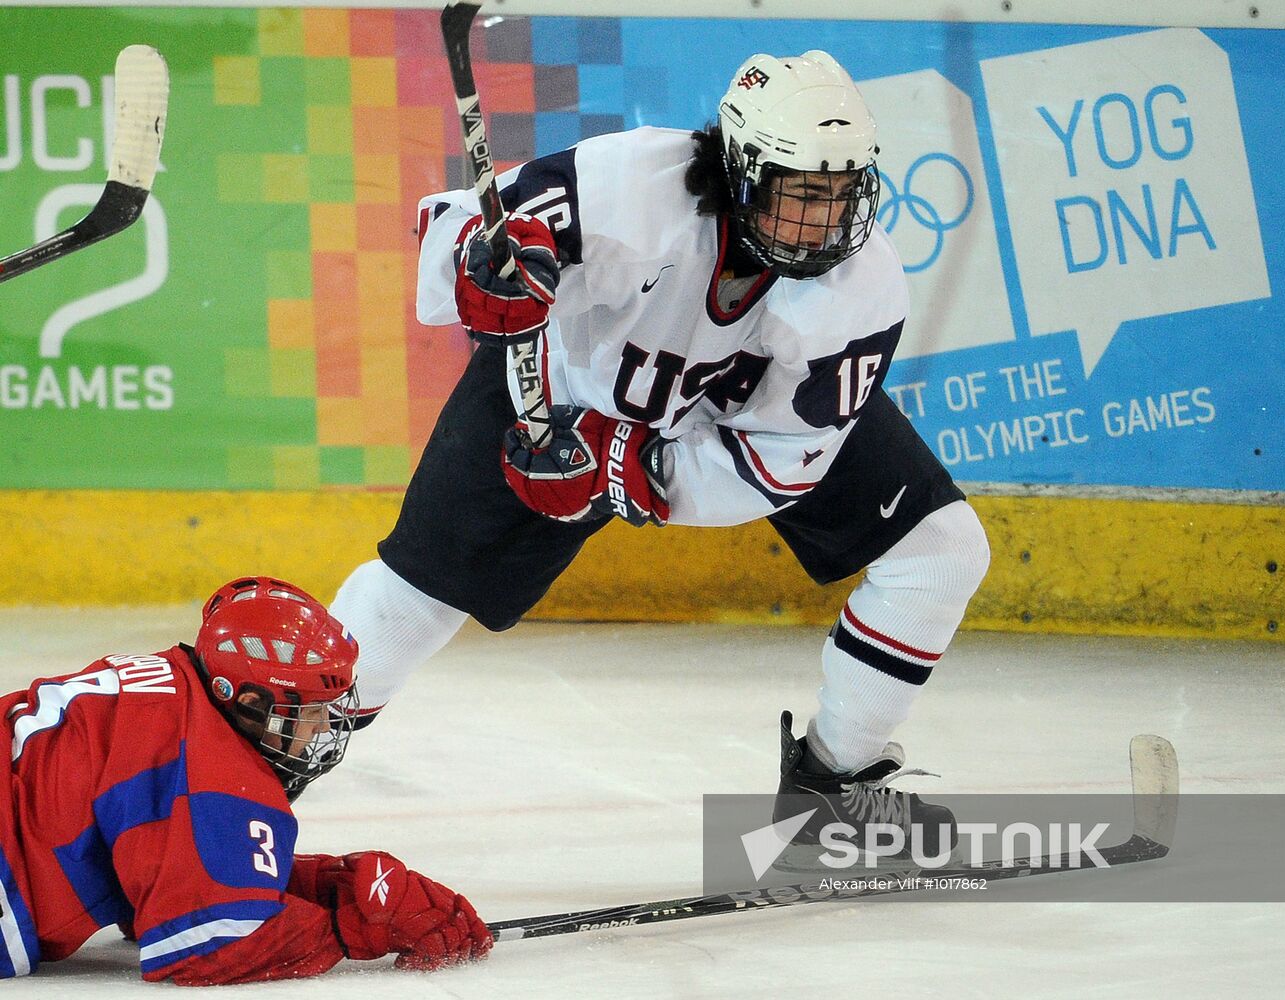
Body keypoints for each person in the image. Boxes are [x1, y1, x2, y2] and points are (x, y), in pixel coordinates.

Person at [331, 51, 990, 842]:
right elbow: (464, 234)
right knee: (410, 603)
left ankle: (829, 796)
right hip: (557, 397)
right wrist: (484, 270)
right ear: (742, 173)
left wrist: (632, 471)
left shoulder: (860, 289)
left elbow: (778, 464)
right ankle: (250, 771)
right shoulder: (625, 187)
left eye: (844, 193)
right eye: (803, 195)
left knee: (940, 548)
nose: (828, 223)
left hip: (723, 419)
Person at [0, 576, 491, 984]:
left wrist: (331, 885)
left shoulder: (172, 688)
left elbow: (168, 867)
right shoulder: (209, 770)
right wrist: (356, 926)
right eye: (310, 709)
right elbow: (211, 944)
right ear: (251, 705)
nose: (323, 727)